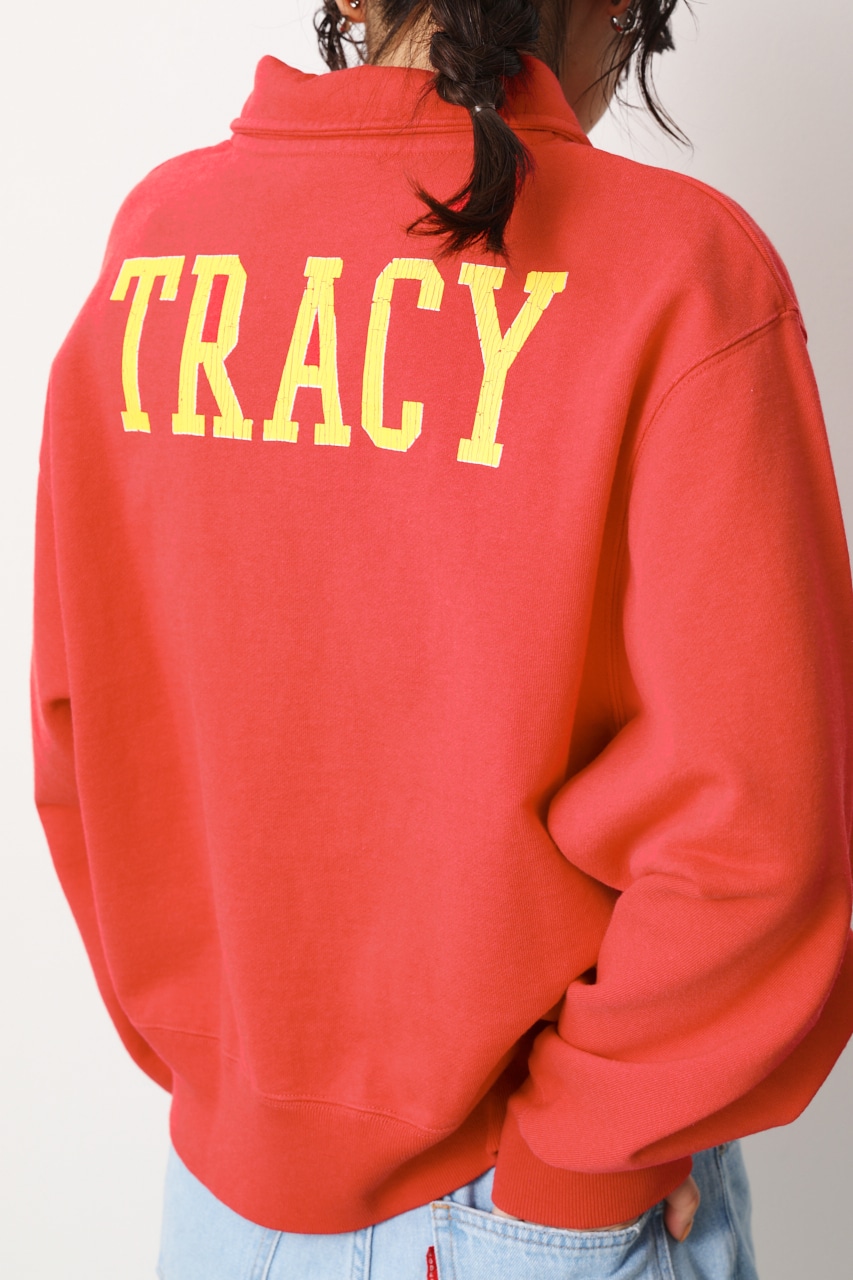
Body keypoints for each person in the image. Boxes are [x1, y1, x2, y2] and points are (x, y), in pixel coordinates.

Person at [30, 1, 853, 1277]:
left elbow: (83, 733)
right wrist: (589, 1159)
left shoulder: (156, 246)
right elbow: (762, 831)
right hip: (538, 1212)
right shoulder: (683, 270)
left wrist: (245, 1089)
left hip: (225, 1209)